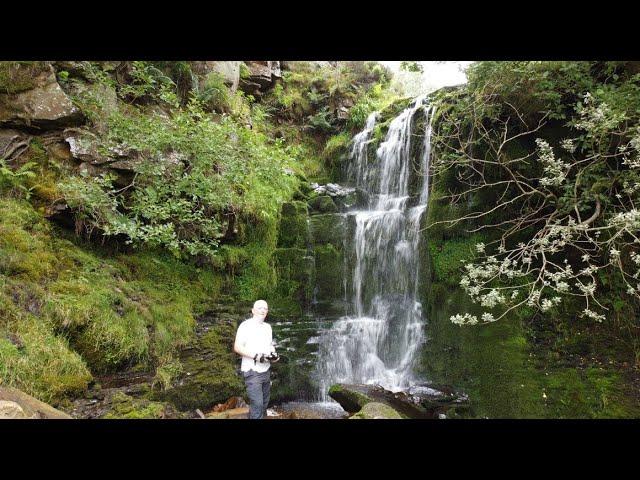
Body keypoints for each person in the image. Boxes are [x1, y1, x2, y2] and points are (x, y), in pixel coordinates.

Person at [233, 299, 279, 419]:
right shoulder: (245, 325)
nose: (263, 310)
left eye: (265, 308)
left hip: (266, 370)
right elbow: (237, 347)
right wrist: (256, 356)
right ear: (253, 310)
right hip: (252, 371)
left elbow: (270, 346)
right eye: (260, 308)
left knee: (263, 405)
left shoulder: (268, 327)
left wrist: (274, 355)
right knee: (257, 404)